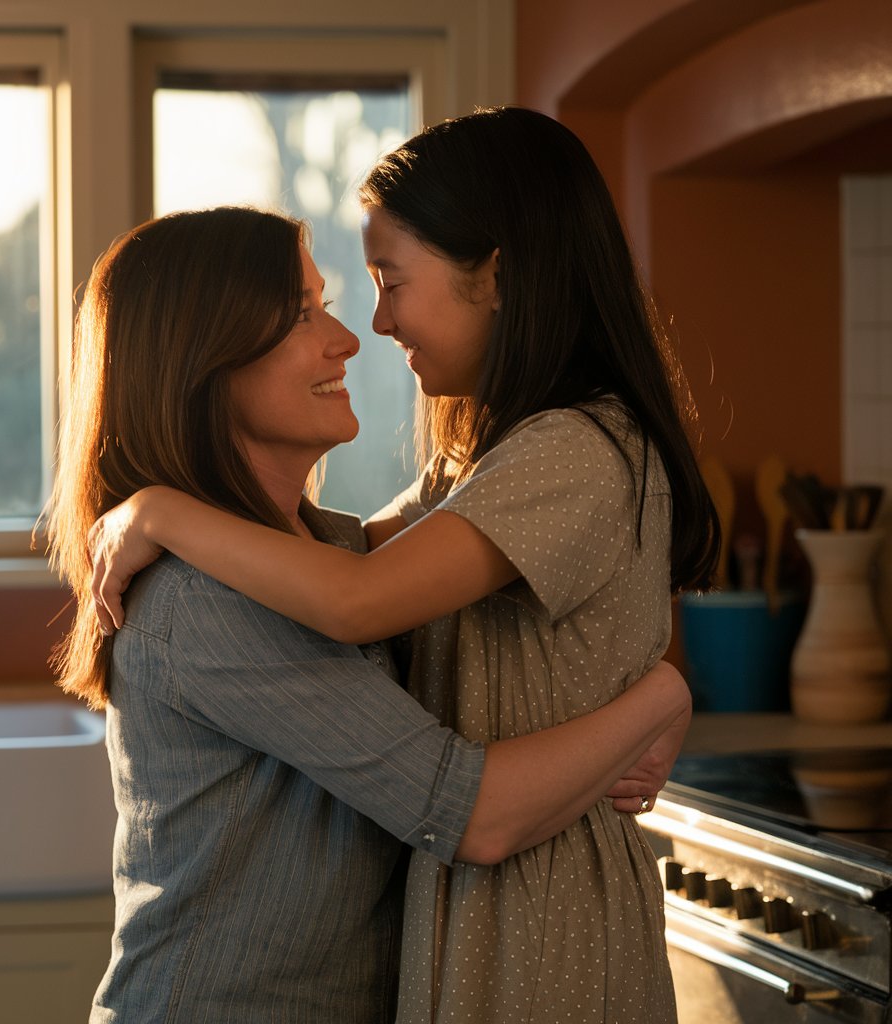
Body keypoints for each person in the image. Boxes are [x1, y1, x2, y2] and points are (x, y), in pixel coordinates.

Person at [88, 108, 719, 1023]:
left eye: (382, 286)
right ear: (206, 363)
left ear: (495, 275)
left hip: (525, 931)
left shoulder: (556, 453)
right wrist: (660, 696)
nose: (360, 332)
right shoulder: (209, 597)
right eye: (310, 314)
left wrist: (161, 508)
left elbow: (363, 585)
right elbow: (367, 590)